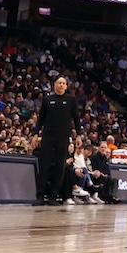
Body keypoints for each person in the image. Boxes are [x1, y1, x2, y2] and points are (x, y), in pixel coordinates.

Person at [32, 77, 80, 205]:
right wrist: (36, 134)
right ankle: (40, 196)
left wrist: (79, 135)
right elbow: (41, 118)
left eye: (63, 83)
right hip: (48, 136)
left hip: (63, 137)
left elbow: (76, 119)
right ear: (55, 85)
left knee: (60, 166)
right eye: (59, 83)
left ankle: (53, 196)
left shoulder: (71, 100)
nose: (61, 85)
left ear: (66, 86)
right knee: (44, 165)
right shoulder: (48, 99)